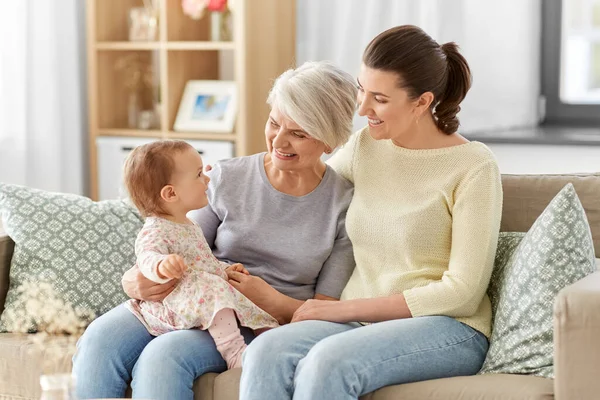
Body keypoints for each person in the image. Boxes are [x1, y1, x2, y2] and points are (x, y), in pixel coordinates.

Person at [239, 25, 503, 400]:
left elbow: (462, 292)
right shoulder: (366, 147)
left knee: (329, 362)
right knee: (267, 351)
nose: (362, 109)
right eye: (362, 89)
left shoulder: (473, 166)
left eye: (378, 98)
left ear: (421, 102)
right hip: (362, 320)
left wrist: (342, 310)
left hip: (447, 327)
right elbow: (309, 186)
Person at [72, 61, 358, 400]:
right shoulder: (225, 177)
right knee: (98, 339)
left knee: (165, 356)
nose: (279, 141)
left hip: (255, 320)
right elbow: (177, 239)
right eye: (274, 123)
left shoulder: (343, 204)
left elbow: (325, 309)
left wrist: (271, 299)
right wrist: (134, 280)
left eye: (298, 133)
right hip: (191, 295)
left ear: (329, 140)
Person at [121, 140, 279, 370]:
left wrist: (224, 269)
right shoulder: (155, 229)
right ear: (171, 193)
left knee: (234, 292)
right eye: (198, 174)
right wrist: (161, 265)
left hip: (199, 293)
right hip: (178, 304)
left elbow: (202, 261)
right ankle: (233, 350)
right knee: (214, 289)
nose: (207, 178)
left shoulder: (188, 224)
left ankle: (270, 338)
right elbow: (146, 256)